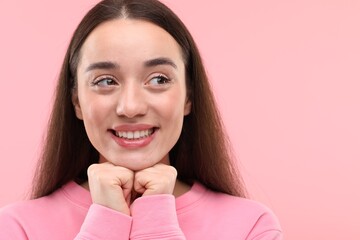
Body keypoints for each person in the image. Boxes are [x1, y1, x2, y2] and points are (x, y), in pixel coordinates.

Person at [0, 0, 283, 239]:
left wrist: (157, 219)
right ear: (76, 101)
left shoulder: (251, 227)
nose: (131, 107)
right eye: (105, 80)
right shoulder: (17, 228)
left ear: (188, 97)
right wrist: (106, 221)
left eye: (159, 79)